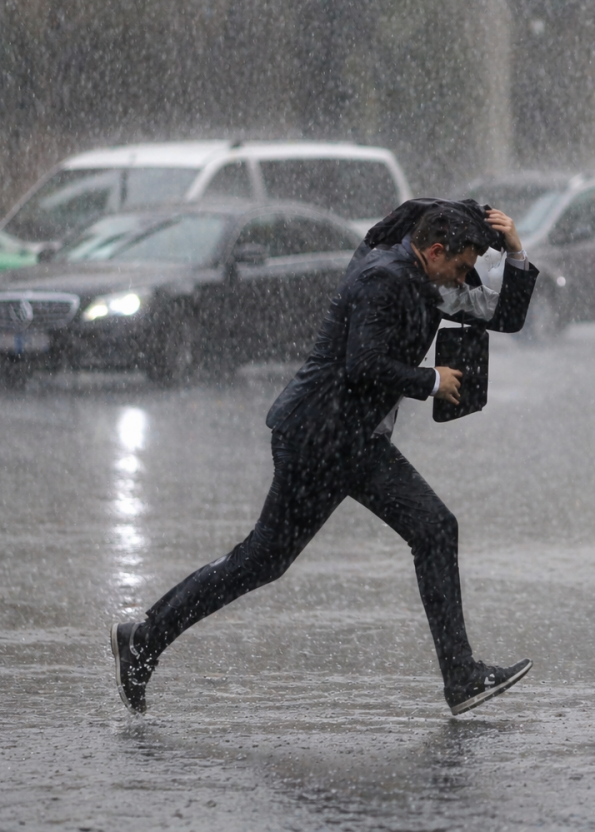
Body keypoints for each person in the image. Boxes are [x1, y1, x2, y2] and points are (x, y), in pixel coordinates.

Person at [110, 198, 538, 716]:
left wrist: (513, 251)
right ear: (435, 249)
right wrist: (431, 381)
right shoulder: (385, 278)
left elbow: (506, 316)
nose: (465, 277)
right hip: (319, 438)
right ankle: (144, 638)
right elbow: (363, 364)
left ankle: (462, 677)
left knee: (429, 529)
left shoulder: (429, 281)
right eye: (462, 266)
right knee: (263, 559)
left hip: (352, 440)